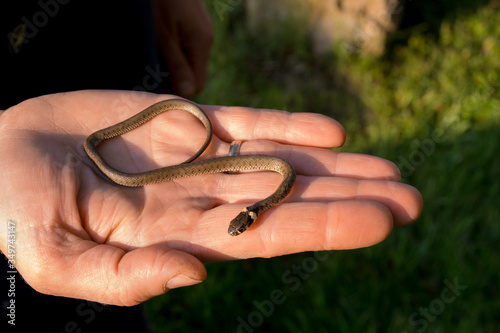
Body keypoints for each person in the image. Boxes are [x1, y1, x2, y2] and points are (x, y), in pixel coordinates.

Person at [0, 1, 423, 332]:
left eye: (240, 224)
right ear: (250, 214)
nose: (238, 226)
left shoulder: (271, 190)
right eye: (241, 224)